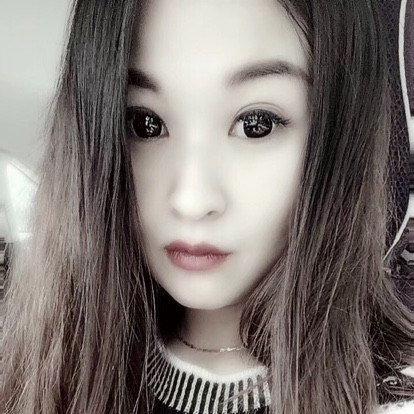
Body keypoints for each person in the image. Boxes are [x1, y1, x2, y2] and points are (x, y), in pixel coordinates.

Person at [1, 0, 414, 413]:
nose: (191, 201)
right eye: (145, 123)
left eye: (256, 125)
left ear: (340, 135)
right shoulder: (40, 377)